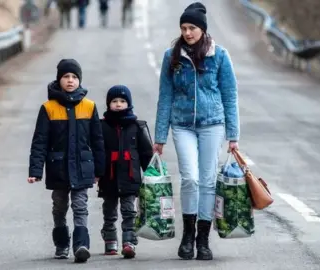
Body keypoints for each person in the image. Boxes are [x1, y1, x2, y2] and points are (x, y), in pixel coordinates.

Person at [153, 2, 240, 261]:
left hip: (212, 124)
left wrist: (233, 136)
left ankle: (203, 239)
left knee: (208, 180)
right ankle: (187, 236)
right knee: (190, 178)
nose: (188, 32)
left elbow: (230, 95)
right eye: (183, 28)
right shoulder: (172, 56)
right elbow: (165, 97)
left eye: (192, 27)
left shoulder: (220, 55)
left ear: (202, 29)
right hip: (182, 125)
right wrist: (159, 137)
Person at [28, 59, 105, 263]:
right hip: (58, 168)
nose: (70, 81)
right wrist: (35, 170)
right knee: (59, 206)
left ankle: (81, 245)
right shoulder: (48, 108)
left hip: (82, 167)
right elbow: (40, 141)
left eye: (74, 77)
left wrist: (99, 169)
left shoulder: (89, 107)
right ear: (59, 79)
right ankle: (61, 244)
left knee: (80, 206)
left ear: (79, 80)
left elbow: (97, 141)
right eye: (66, 77)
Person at [98, 85, 153, 259]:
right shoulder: (102, 126)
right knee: (109, 211)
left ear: (129, 103)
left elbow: (146, 153)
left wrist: (150, 173)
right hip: (109, 177)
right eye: (114, 101)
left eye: (122, 101)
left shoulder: (137, 126)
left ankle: (129, 242)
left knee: (129, 211)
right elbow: (97, 152)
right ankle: (110, 239)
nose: (119, 104)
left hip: (130, 177)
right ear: (108, 104)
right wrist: (96, 173)